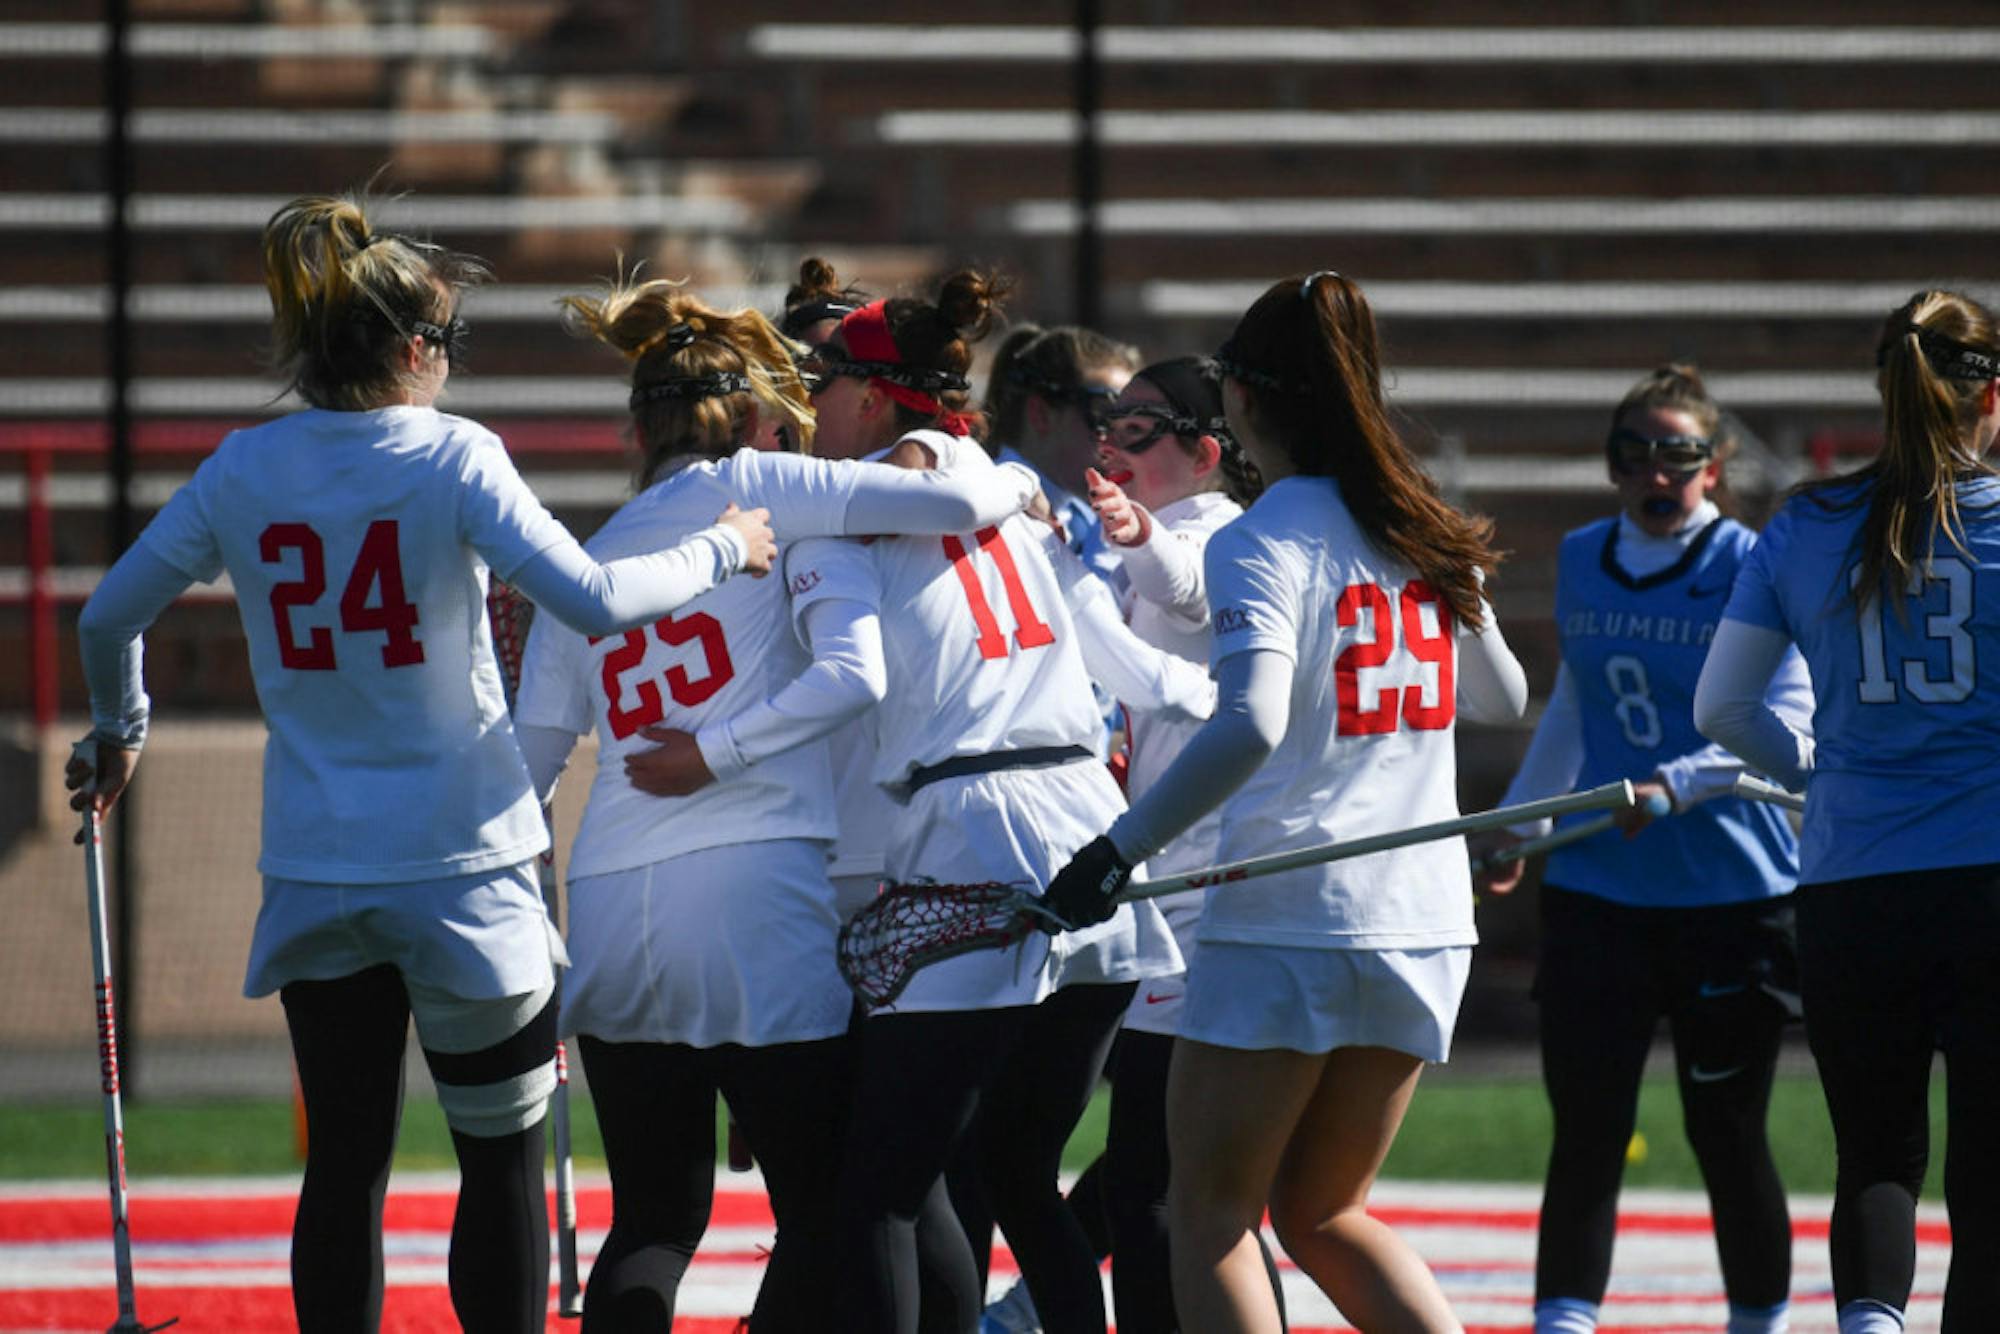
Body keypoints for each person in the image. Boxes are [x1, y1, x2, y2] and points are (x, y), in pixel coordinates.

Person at [64, 192, 776, 1334]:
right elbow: (593, 602)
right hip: (466, 863)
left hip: (316, 863)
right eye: (449, 340)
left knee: (341, 1166)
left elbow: (108, 618)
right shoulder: (451, 453)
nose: (451, 363)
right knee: (496, 1157)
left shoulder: (244, 466)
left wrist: (121, 729)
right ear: (411, 348)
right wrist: (722, 547)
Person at [509, 277, 1050, 1331]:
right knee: (838, 1201)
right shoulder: (762, 480)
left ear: (636, 425)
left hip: (612, 897)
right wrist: (1014, 478)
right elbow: (939, 504)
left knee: (653, 1221)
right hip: (755, 889)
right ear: (757, 419)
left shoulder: (591, 553)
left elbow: (524, 770)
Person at [1045, 270, 1529, 1334]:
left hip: (1290, 919)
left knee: (1206, 1213)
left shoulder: (1259, 538)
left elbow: (1249, 721)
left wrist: (1116, 848)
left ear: (1249, 407)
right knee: (1323, 1212)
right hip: (1422, 919)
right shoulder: (1416, 524)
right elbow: (1504, 693)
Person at [777, 269, 1186, 1334]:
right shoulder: (1011, 489)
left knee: (882, 1191)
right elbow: (1123, 664)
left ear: (872, 396)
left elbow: (846, 676)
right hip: (1089, 822)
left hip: (979, 827)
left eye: (819, 381)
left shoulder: (850, 500)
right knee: (1010, 1167)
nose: (803, 403)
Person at [1471, 365, 1808, 1334]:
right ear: (1611, 465)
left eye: (1676, 454)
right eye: (1633, 453)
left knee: (1725, 1130)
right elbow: (1575, 705)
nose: (1655, 474)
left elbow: (1781, 714)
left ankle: (1757, 1317)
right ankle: (1563, 1317)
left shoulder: (1756, 560)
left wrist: (1675, 785)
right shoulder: (1582, 556)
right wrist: (1523, 825)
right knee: (1584, 1129)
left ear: (1713, 464)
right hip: (1598, 890)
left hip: (1729, 891)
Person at [1694, 289, 2000, 1334]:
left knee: (1874, 1155)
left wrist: (1809, 767)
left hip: (1850, 884)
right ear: (1990, 396)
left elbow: (1720, 707)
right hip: (1988, 880)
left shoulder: (1805, 524)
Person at [984, 323, 1141, 587]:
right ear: (1041, 414)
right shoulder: (986, 517)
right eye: (1104, 418)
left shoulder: (1082, 516)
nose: (1119, 444)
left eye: (1133, 426)